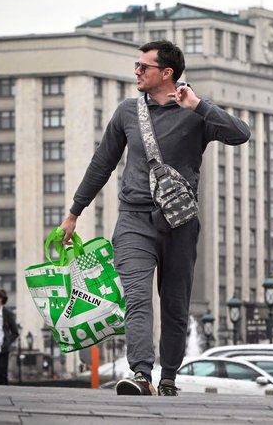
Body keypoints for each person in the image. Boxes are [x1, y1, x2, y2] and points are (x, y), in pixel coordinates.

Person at [59, 40, 251, 396]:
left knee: (176, 305)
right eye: (136, 65)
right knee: (136, 297)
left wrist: (199, 105)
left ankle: (168, 379)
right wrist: (74, 213)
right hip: (133, 218)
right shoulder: (127, 112)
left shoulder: (195, 112)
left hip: (179, 223)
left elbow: (241, 134)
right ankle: (141, 374)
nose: (136, 71)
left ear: (166, 73)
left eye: (143, 66)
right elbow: (102, 163)